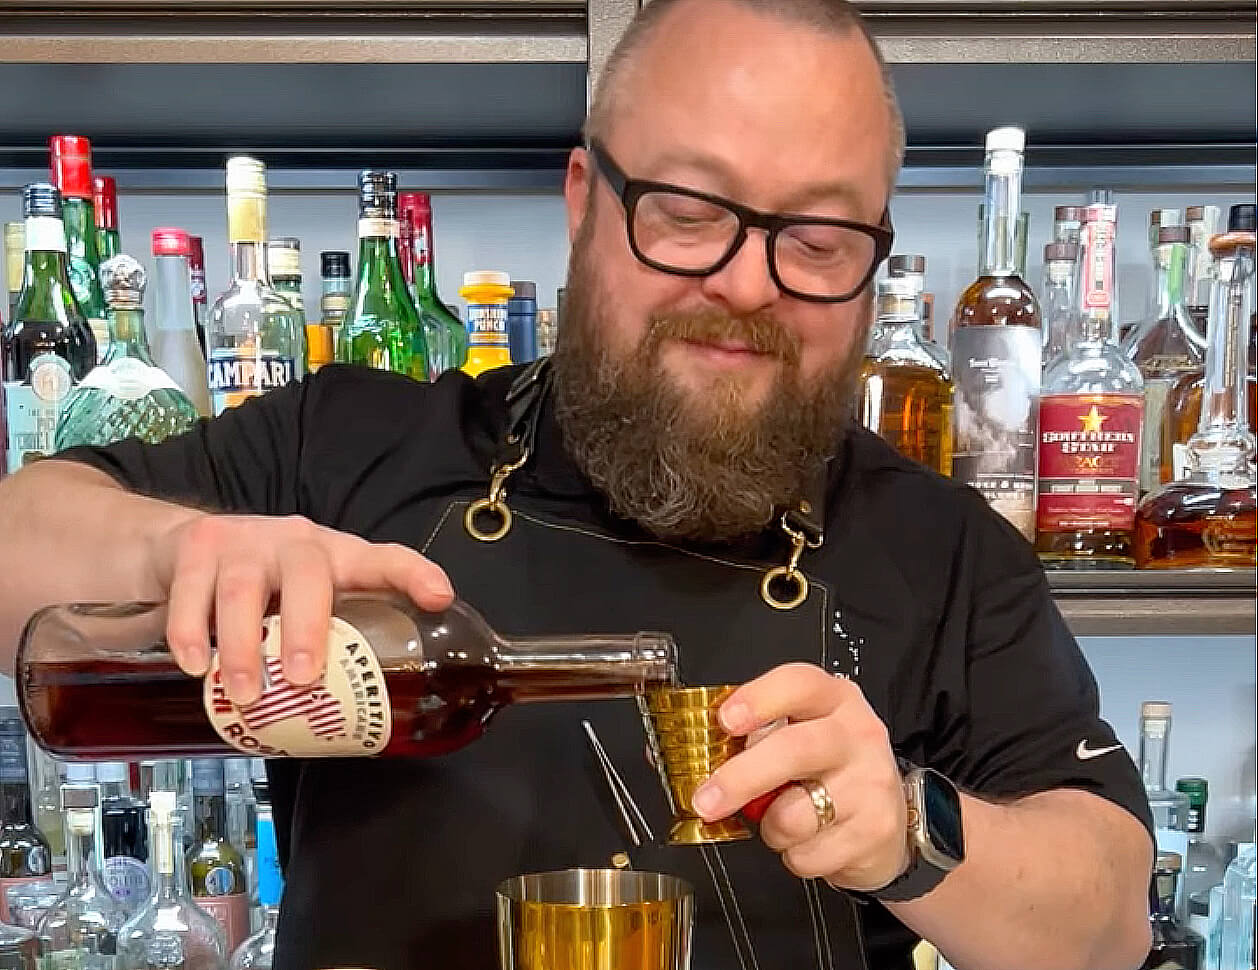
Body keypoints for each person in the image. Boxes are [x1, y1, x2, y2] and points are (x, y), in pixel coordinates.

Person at [0, 0, 1154, 967]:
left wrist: (910, 826)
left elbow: (1107, 924)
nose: (747, 285)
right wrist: (170, 554)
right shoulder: (350, 445)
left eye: (816, 239)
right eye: (688, 212)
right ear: (582, 198)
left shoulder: (942, 547)